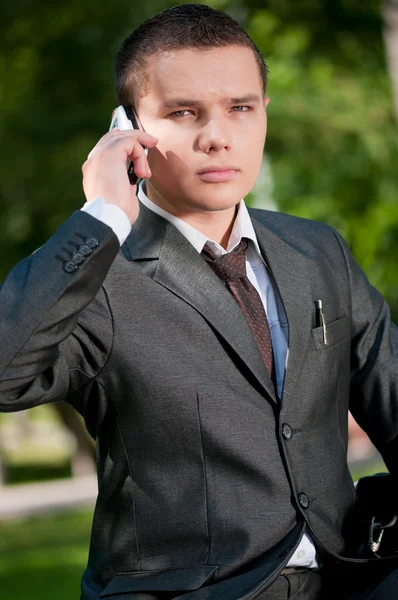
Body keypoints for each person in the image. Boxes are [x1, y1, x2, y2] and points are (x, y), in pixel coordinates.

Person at [1, 4, 397, 599]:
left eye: (241, 108)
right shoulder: (98, 275)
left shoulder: (318, 251)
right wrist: (102, 214)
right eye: (183, 112)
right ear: (127, 127)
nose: (218, 137)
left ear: (264, 114)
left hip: (353, 576)